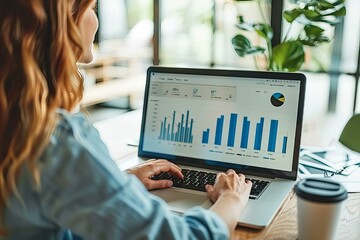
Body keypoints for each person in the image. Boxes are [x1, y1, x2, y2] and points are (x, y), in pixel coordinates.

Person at [0, 0, 252, 239]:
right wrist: (231, 198)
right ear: (64, 21)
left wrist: (114, 184)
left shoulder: (12, 120)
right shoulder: (56, 141)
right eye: (93, 8)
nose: (95, 21)